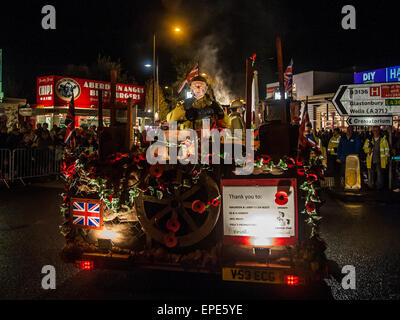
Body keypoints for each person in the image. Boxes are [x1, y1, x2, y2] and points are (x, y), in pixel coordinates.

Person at [363, 126, 390, 190]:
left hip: (380, 160)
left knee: (380, 174)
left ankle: (379, 188)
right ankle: (370, 186)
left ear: (379, 131)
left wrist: (386, 160)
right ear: (372, 131)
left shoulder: (383, 140)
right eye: (374, 130)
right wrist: (367, 150)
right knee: (370, 174)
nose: (375, 132)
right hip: (371, 160)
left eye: (377, 130)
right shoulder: (369, 139)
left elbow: (387, 151)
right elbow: (364, 148)